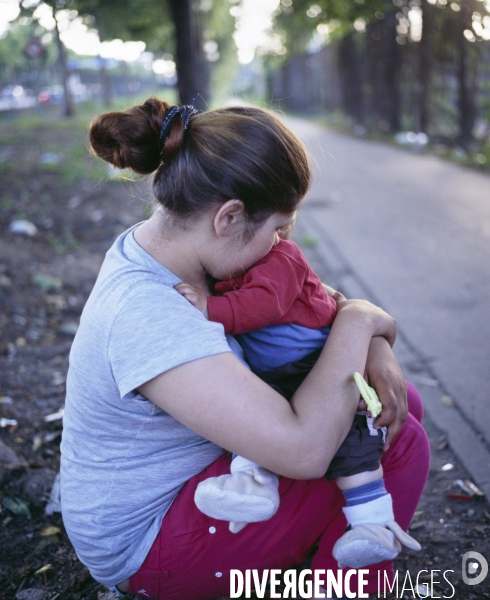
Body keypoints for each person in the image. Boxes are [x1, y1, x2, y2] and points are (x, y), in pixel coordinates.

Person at [60, 97, 430, 600]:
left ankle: (319, 552)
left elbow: (312, 300)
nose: (282, 244)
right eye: (278, 229)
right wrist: (363, 321)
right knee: (400, 439)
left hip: (193, 491)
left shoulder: (183, 249)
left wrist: (370, 339)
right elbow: (305, 451)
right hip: (150, 543)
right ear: (229, 216)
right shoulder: (152, 311)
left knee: (394, 401)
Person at [175, 234, 421, 569]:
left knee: (357, 441)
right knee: (252, 412)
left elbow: (266, 304)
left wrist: (210, 308)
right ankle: (252, 483)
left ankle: (370, 527)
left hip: (312, 365)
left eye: (283, 224)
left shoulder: (278, 256)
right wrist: (369, 330)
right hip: (277, 379)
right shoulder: (237, 260)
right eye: (276, 223)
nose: (282, 234)